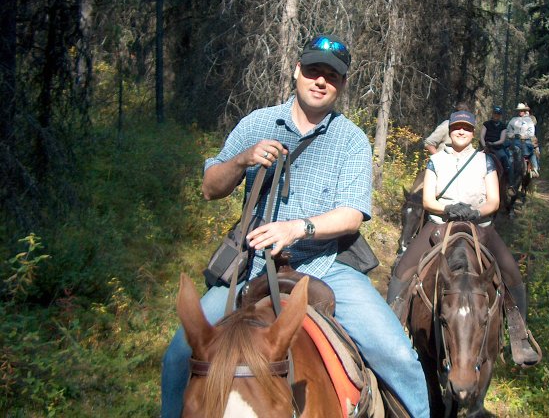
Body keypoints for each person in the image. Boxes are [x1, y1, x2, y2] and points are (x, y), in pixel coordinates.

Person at [161, 35, 430, 418]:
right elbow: (210, 188)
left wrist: (295, 229)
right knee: (178, 355)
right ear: (297, 70)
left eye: (331, 76)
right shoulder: (257, 123)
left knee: (399, 357)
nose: (320, 81)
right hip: (251, 266)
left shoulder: (351, 140)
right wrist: (242, 160)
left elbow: (352, 215)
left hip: (327, 266)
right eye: (313, 70)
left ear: (342, 84)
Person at [387, 110, 540, 366]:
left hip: (480, 226)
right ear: (450, 131)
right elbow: (428, 200)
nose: (461, 131)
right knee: (402, 271)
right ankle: (391, 332)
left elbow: (494, 200)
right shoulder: (435, 161)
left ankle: (519, 336)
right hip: (440, 225)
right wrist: (447, 209)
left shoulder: (485, 161)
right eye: (457, 127)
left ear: (472, 132)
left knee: (512, 273)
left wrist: (475, 212)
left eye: (466, 128)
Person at [506, 102, 539, 177]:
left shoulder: (529, 120)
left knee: (532, 151)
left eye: (522, 110)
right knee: (507, 150)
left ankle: (534, 169)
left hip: (526, 140)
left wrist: (524, 136)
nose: (520, 112)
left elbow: (531, 132)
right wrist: (512, 135)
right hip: (514, 140)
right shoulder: (513, 120)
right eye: (519, 110)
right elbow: (508, 131)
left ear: (524, 111)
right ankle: (507, 168)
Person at [480, 104, 510, 175]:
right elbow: (481, 136)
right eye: (495, 113)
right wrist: (484, 146)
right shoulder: (486, 124)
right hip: (485, 146)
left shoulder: (503, 126)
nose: (496, 115)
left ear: (500, 115)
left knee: (504, 158)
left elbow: (502, 140)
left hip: (497, 148)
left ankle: (508, 178)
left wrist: (492, 144)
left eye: (498, 114)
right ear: (492, 114)